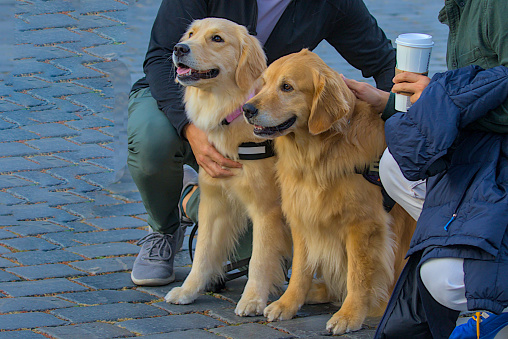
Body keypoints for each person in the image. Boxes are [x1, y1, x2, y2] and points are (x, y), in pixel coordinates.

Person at [127, 0, 397, 287]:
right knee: (152, 140)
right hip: (184, 95)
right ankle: (163, 228)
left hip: (263, 112)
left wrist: (400, 120)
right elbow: (159, 56)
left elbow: (383, 63)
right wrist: (189, 128)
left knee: (276, 253)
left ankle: (191, 199)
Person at [344, 0, 508, 337]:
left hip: (496, 161)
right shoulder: (462, 7)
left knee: (445, 280)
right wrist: (390, 103)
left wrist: (436, 98)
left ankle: (490, 295)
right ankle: (476, 257)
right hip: (485, 153)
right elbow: (481, 92)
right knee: (396, 166)